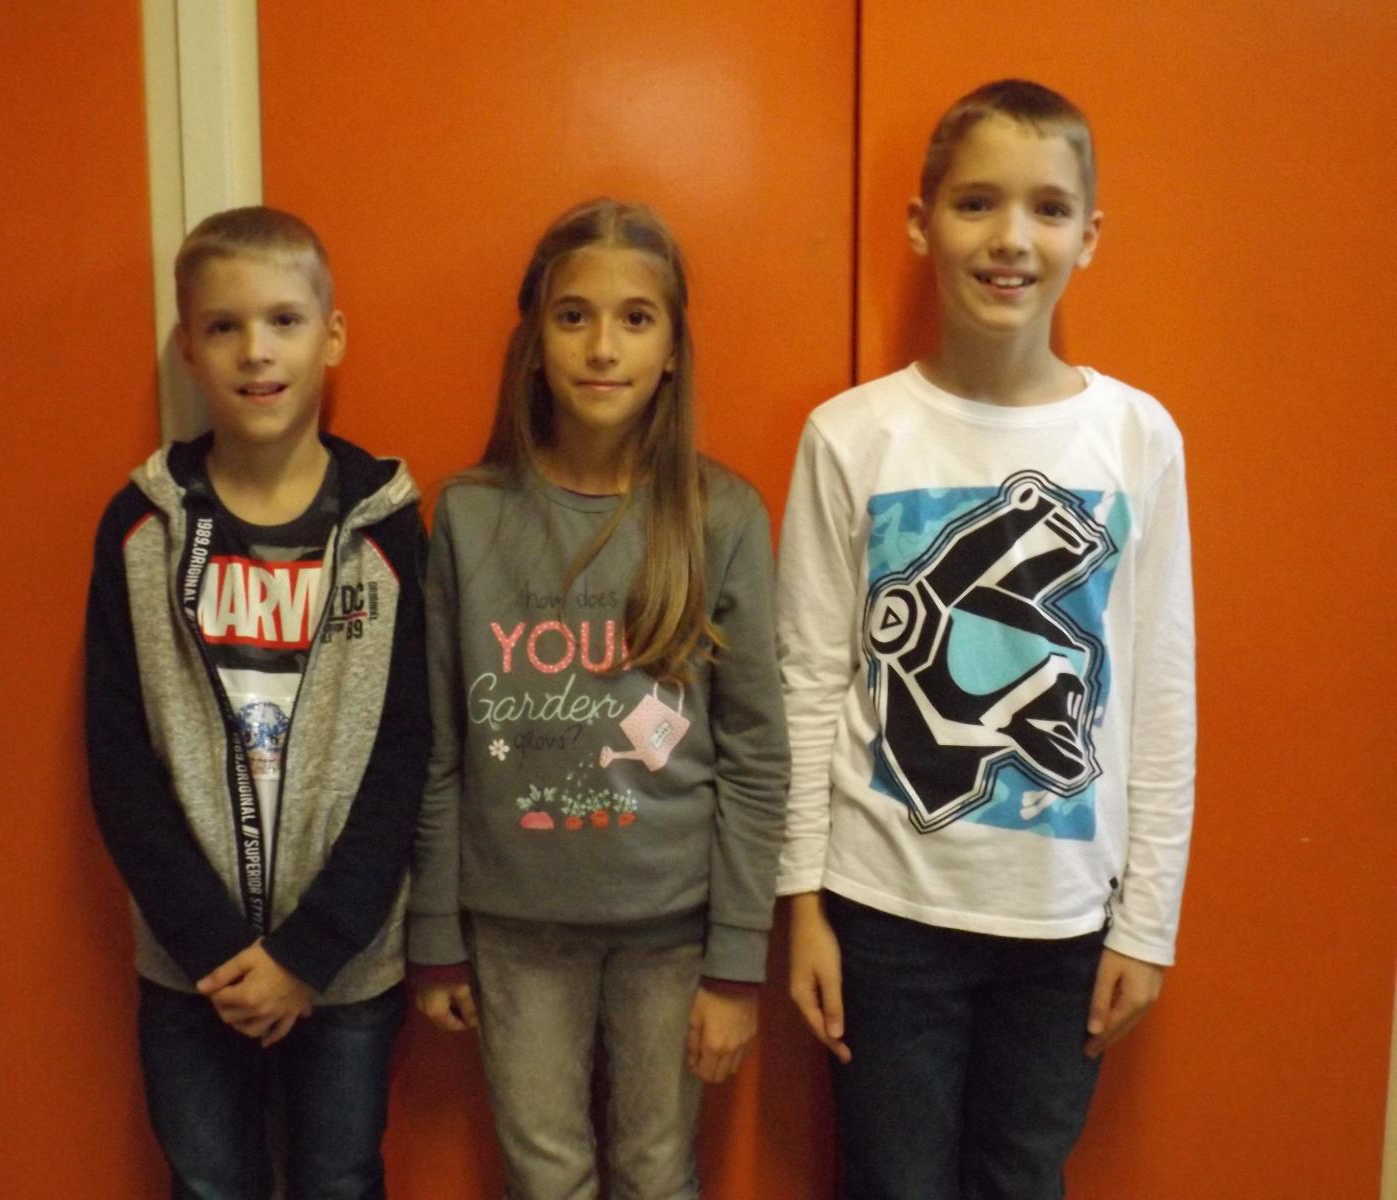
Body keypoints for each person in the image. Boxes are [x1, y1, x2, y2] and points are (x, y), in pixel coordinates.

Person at [777, 80, 1196, 1199]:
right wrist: (801, 902)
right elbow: (807, 680)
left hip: (1064, 922)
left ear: (1088, 236)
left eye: (1047, 209)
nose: (1011, 238)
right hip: (883, 911)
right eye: (976, 203)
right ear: (922, 224)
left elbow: (1160, 691)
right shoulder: (851, 435)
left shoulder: (1135, 437)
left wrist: (1147, 925)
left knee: (1022, 1179)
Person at [407, 198, 790, 1200]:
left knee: (657, 1171)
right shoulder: (469, 517)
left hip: (673, 928)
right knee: (545, 1176)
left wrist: (736, 965)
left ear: (672, 352)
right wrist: (435, 936)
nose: (603, 346)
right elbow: (439, 751)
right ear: (534, 344)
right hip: (513, 928)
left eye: (636, 318)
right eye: (573, 316)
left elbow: (757, 759)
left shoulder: (721, 517)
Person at [85, 206, 428, 1200]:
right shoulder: (142, 528)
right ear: (187, 348)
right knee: (207, 1182)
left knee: (340, 1179)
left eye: (283, 320)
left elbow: (404, 755)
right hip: (190, 964)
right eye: (224, 326)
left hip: (345, 961)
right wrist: (213, 944)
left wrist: (308, 953)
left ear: (332, 336)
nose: (255, 351)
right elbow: (119, 758)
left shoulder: (386, 531)